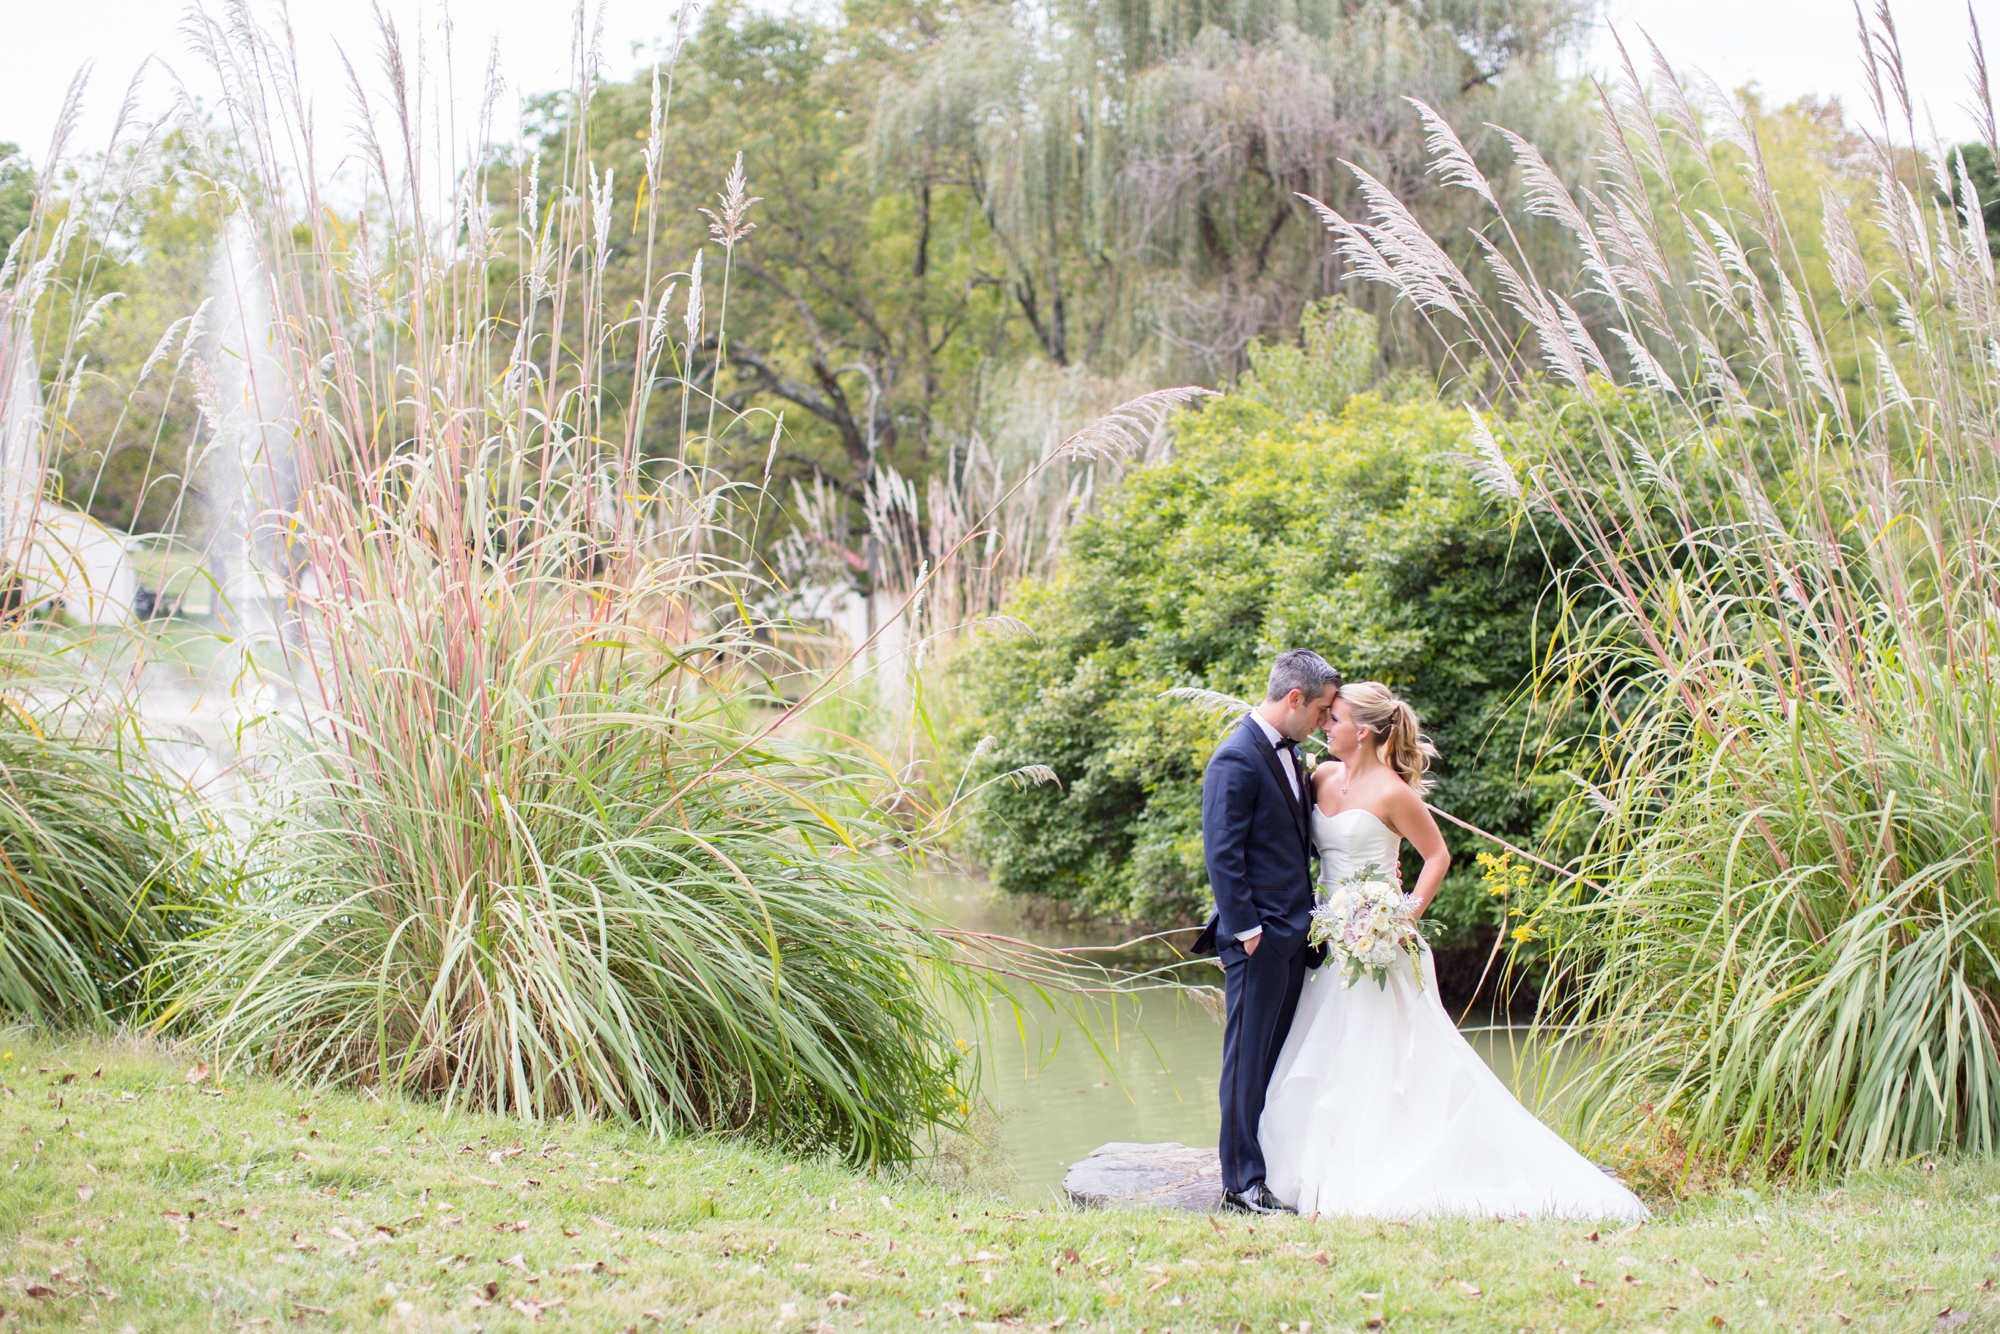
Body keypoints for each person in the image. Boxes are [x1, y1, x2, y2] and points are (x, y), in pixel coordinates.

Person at [1257, 681, 1648, 1221]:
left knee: (1384, 1059)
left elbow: (1437, 857)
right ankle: (1313, 1163)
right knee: (1327, 1052)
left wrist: (1399, 917)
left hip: (1379, 946)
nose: (1325, 724)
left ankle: (1387, 1161)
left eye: (1335, 718)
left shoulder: (1395, 793)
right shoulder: (1319, 775)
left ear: (1363, 731)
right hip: (1329, 941)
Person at [1198, 648, 1342, 1215]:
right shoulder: (1234, 758)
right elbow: (1222, 853)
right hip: (1258, 938)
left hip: (1294, 935)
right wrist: (1248, 930)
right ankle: (1240, 1184)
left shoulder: (1290, 754)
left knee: (1276, 1058)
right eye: (1322, 711)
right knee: (1247, 1061)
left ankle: (1269, 1167)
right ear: (1293, 699)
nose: (1325, 723)